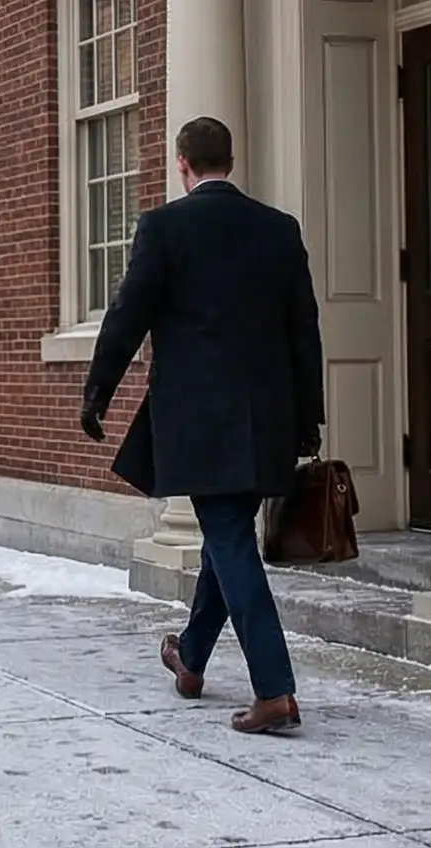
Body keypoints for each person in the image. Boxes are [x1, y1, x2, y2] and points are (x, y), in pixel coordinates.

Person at [80, 116, 324, 735]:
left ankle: (276, 690)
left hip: (198, 422)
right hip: (267, 418)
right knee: (229, 534)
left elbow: (127, 313)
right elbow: (304, 332)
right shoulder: (279, 230)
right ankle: (190, 657)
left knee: (231, 541)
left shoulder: (164, 227)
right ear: (230, 162)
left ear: (181, 163)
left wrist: (98, 390)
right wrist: (309, 416)